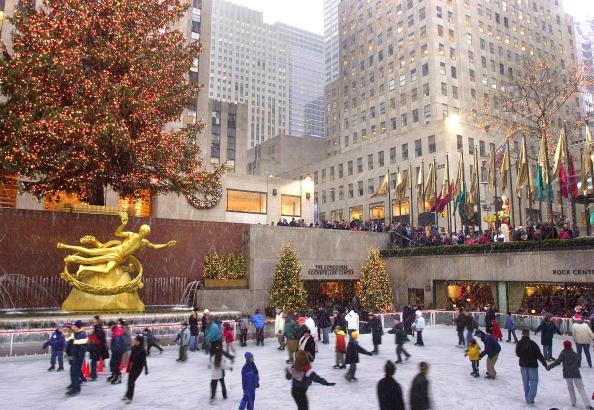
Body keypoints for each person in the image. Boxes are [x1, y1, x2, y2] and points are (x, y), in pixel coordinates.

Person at [547, 340, 594, 409]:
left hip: (567, 374)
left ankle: (573, 402)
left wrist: (549, 367)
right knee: (581, 389)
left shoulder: (563, 353)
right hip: (576, 373)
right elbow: (578, 361)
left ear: (564, 346)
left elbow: (557, 362)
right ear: (570, 346)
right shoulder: (574, 353)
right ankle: (587, 404)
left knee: (570, 388)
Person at [516, 329, 548, 405]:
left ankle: (527, 396)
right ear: (528, 334)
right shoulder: (532, 343)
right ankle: (530, 397)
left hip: (523, 365)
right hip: (532, 365)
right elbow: (539, 354)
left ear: (522, 334)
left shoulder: (519, 343)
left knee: (525, 382)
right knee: (534, 381)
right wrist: (544, 364)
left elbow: (518, 354)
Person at [123, 335, 148, 403]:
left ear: (140, 342)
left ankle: (129, 397)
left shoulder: (142, 350)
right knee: (129, 381)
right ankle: (127, 394)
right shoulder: (133, 348)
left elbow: (144, 361)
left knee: (131, 381)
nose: (135, 341)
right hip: (133, 367)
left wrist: (146, 369)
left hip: (139, 368)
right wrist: (128, 367)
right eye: (135, 340)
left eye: (137, 341)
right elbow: (131, 358)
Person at [65, 320, 88, 396]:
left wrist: (77, 355)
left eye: (74, 326)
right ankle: (74, 385)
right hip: (73, 355)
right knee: (72, 371)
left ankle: (76, 389)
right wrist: (69, 353)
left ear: (77, 327)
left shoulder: (82, 334)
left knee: (75, 373)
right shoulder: (75, 333)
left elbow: (82, 347)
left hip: (78, 357)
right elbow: (71, 343)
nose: (72, 327)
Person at [88, 316, 109, 381]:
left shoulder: (97, 328)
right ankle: (92, 374)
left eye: (94, 319)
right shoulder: (98, 327)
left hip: (96, 347)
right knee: (93, 361)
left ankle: (93, 376)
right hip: (97, 347)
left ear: (97, 320)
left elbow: (98, 338)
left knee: (93, 361)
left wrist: (91, 335)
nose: (93, 321)